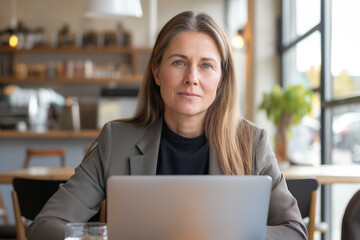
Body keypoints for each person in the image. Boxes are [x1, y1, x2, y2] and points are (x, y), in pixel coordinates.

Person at [28, 11, 307, 240]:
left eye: (206, 66)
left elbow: (294, 232)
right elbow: (45, 226)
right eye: (179, 62)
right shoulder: (116, 141)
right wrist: (111, 236)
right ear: (157, 72)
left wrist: (228, 234)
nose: (191, 78)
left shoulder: (251, 143)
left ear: (221, 80)